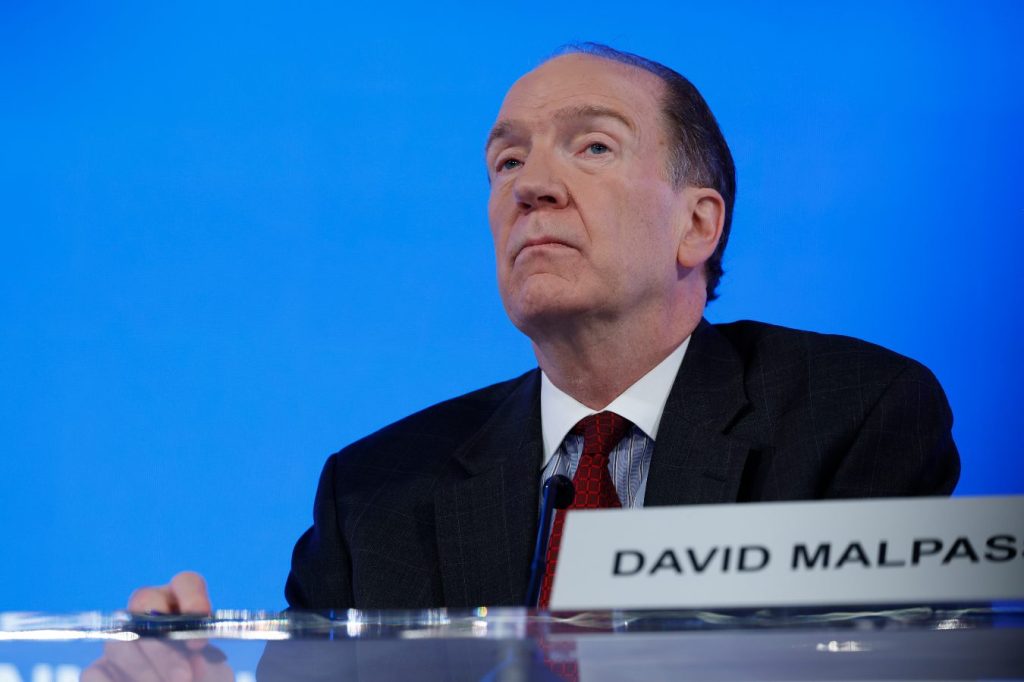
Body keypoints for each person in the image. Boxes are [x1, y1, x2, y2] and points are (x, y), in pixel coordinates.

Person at [126, 43, 959, 616]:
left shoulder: (852, 413)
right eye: (508, 162)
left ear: (698, 227)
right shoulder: (374, 493)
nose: (532, 188)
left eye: (591, 147)